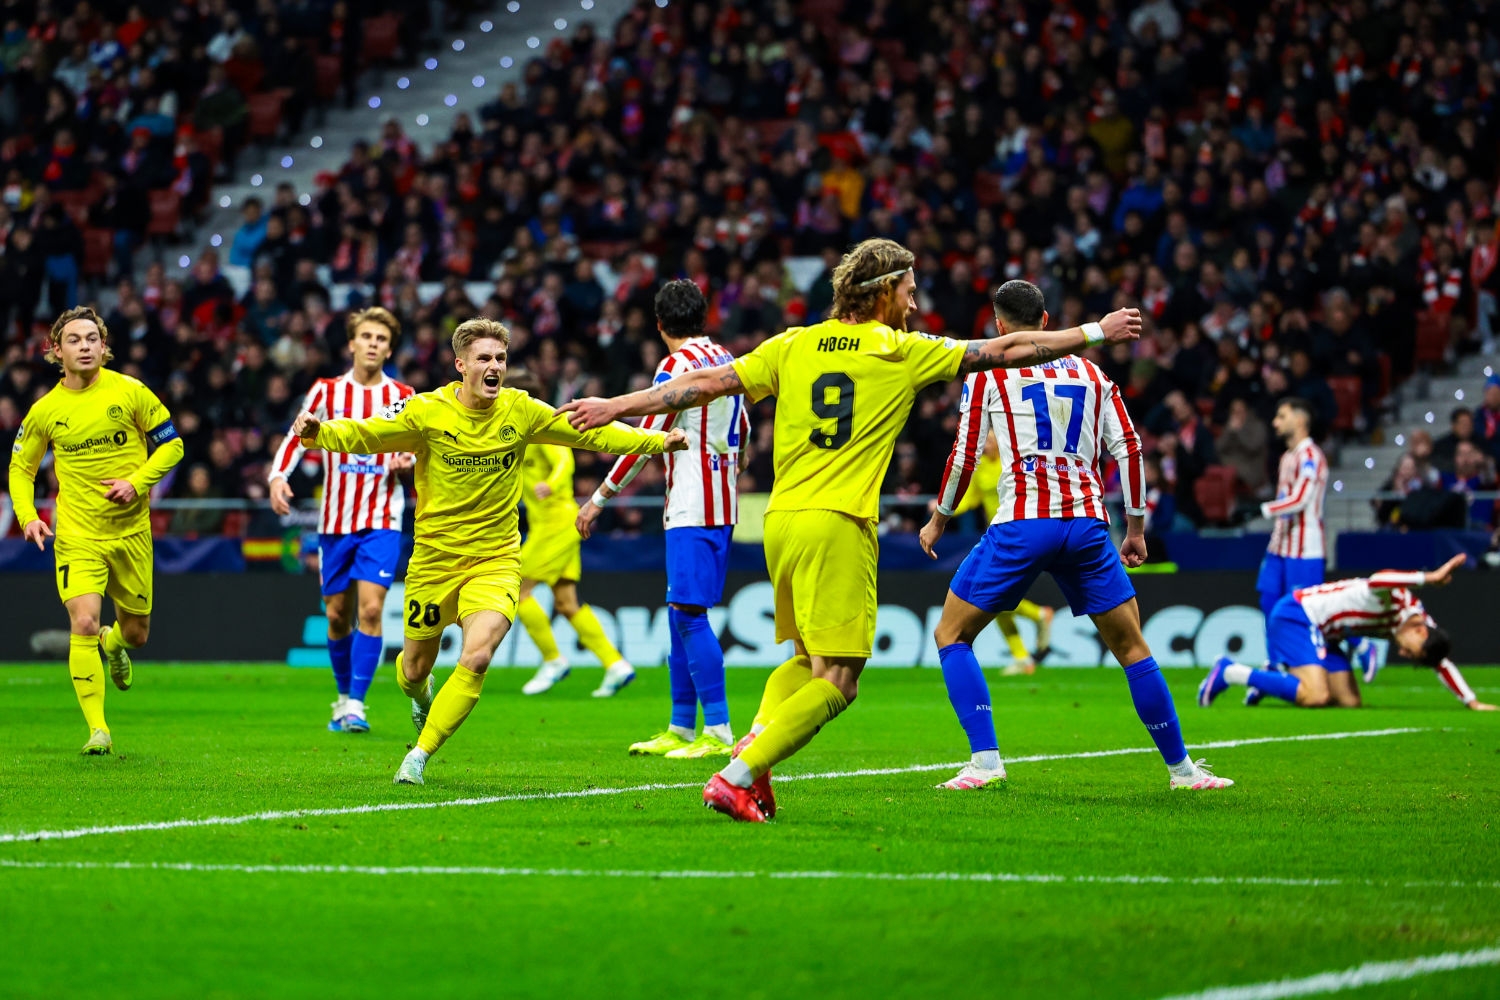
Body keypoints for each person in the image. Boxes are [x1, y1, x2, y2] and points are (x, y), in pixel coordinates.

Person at [560, 238, 1143, 822]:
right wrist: (1096, 331)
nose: (914, 305)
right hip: (837, 522)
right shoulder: (900, 350)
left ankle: (755, 748)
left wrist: (615, 406)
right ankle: (735, 777)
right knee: (840, 679)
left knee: (807, 661)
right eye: (908, 292)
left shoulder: (792, 343)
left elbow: (706, 384)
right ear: (883, 291)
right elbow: (1008, 347)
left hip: (782, 523)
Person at [291, 318, 687, 785]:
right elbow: (369, 434)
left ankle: (418, 755)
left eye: (500, 358)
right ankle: (420, 695)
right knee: (413, 671)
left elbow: (589, 433)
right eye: (484, 358)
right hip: (434, 563)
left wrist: (656, 441)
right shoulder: (427, 411)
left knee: (477, 656)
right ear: (461, 365)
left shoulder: (521, 409)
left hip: (495, 560)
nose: (495, 365)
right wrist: (319, 433)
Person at [921, 280, 1232, 793]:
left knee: (951, 635)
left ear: (999, 327)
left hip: (1023, 522)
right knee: (1132, 648)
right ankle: (1184, 772)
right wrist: (1135, 528)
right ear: (1046, 321)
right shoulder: (1093, 373)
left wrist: (939, 518)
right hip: (1087, 525)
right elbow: (1129, 448)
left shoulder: (989, 372)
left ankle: (985, 762)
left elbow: (965, 454)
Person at [577, 280, 749, 757]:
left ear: (659, 325)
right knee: (680, 615)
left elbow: (647, 439)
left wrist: (599, 498)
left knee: (689, 615)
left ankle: (719, 731)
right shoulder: (726, 358)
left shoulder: (676, 366)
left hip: (693, 504)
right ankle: (681, 727)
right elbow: (744, 425)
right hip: (721, 502)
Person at [7, 307, 184, 754]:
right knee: (83, 620)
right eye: (74, 340)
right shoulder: (46, 411)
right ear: (56, 351)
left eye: (92, 339)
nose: (84, 346)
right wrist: (27, 516)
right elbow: (21, 468)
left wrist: (136, 482)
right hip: (77, 535)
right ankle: (98, 729)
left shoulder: (130, 391)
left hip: (131, 533)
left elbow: (173, 445)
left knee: (137, 634)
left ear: (104, 347)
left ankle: (114, 642)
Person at [267, 307, 414, 734]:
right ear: (352, 343)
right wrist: (278, 477)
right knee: (336, 616)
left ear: (389, 349)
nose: (373, 344)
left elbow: (417, 444)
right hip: (335, 521)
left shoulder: (404, 395)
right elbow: (297, 435)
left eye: (381, 339)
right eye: (366, 336)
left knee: (371, 609)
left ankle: (357, 705)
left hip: (382, 517)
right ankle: (343, 695)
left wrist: (407, 460)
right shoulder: (327, 391)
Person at [1199, 556, 1495, 711]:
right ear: (1419, 631)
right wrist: (1428, 578)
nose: (1402, 653)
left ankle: (1276, 678)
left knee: (1349, 702)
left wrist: (1470, 701)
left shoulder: (1422, 628)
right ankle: (1230, 672)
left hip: (1327, 637)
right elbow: (1378, 579)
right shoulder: (1396, 598)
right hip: (1298, 614)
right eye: (1410, 650)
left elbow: (1440, 661)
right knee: (1315, 695)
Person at [506, 369, 638, 699]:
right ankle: (615, 664)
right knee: (566, 603)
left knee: (516, 589)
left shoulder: (542, 425)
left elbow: (564, 459)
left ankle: (552, 660)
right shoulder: (516, 431)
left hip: (556, 523)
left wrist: (550, 484)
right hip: (553, 524)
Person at [937, 428, 1055, 676]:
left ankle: (1037, 615)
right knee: (994, 598)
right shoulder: (980, 469)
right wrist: (943, 509)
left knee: (993, 595)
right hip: (997, 535)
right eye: (985, 442)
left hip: (1017, 530)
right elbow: (971, 499)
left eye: (991, 441)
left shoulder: (1013, 462)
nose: (987, 445)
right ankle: (1022, 656)